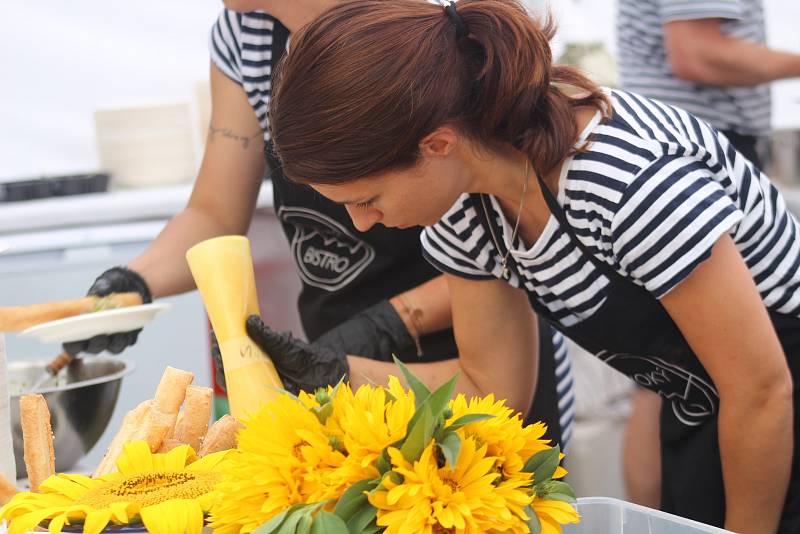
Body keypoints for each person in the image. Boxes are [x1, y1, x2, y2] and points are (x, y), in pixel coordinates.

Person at [251, 0, 800, 532]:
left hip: (774, 401)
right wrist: (334, 373)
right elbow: (490, 387)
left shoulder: (619, 180)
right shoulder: (464, 207)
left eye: (367, 198)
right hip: (709, 407)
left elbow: (761, 389)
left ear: (437, 144)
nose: (364, 222)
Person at [62, 1, 575, 446]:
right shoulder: (245, 35)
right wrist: (132, 288)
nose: (363, 218)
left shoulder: (431, 28)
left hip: (485, 348)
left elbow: (513, 226)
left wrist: (392, 321)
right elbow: (214, 212)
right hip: (347, 363)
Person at [616, 0, 800, 507]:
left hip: (669, 157)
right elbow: (697, 53)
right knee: (738, 383)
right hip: (691, 161)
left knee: (662, 382)